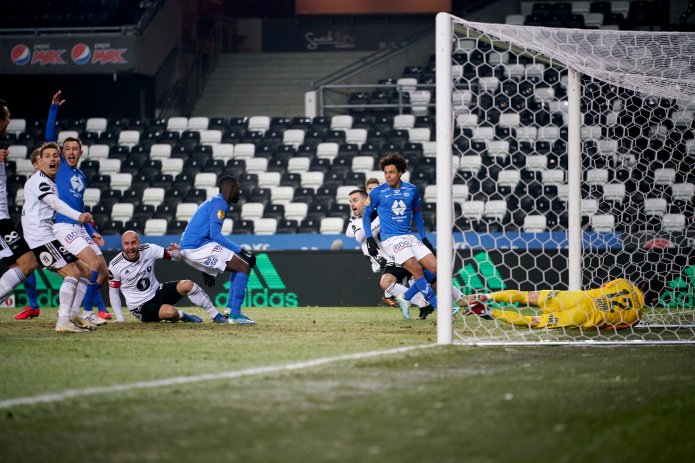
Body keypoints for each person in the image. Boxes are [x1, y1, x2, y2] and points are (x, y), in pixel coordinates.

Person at [45, 90, 111, 325]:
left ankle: (76, 310)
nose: (71, 152)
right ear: (62, 153)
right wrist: (54, 110)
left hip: (81, 228)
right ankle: (80, 312)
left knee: (103, 272)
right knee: (92, 265)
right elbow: (49, 139)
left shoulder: (81, 175)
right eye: (67, 149)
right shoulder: (59, 167)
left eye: (75, 149)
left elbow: (80, 206)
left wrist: (93, 231)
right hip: (63, 226)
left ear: (81, 153)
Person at [22, 143, 96, 333]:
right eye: (47, 156)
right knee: (72, 273)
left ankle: (71, 314)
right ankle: (63, 321)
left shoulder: (49, 181)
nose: (53, 159)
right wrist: (79, 216)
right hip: (40, 238)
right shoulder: (40, 181)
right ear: (39, 162)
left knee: (85, 272)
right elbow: (55, 203)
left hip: (48, 235)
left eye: (55, 155)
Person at [362, 153, 441, 312]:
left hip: (409, 237)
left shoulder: (412, 190)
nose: (388, 176)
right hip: (391, 239)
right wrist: (370, 238)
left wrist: (424, 237)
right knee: (417, 270)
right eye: (385, 172)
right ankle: (438, 305)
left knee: (436, 268)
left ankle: (405, 298)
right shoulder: (377, 192)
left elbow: (417, 213)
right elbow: (366, 215)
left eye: (391, 172)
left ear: (400, 173)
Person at [179, 175, 258, 325]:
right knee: (244, 266)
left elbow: (207, 233)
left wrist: (204, 269)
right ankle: (235, 314)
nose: (239, 193)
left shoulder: (214, 202)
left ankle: (230, 311)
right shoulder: (220, 203)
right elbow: (215, 235)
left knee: (238, 268)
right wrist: (242, 251)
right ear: (232, 189)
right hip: (197, 246)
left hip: (191, 248)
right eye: (238, 189)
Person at [346, 188, 433, 320]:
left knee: (420, 277)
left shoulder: (381, 211)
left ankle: (448, 301)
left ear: (366, 200)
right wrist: (379, 222)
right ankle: (425, 303)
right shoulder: (357, 219)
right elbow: (358, 236)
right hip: (392, 256)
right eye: (350, 201)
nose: (352, 204)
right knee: (408, 279)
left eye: (355, 200)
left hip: (402, 249)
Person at [108, 230, 229, 324]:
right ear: (122, 245)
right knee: (170, 312)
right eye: (126, 243)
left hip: (157, 292)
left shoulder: (150, 249)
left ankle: (216, 316)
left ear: (139, 242)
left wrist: (176, 253)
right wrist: (120, 318)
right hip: (140, 306)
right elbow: (113, 293)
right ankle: (183, 316)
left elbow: (175, 258)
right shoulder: (115, 265)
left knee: (188, 285)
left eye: (133, 242)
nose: (130, 247)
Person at [464, 278, 661, 330]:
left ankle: (487, 297)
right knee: (534, 321)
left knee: (527, 296)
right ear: (653, 299)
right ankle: (489, 311)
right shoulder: (636, 318)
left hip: (580, 298)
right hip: (583, 317)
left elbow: (604, 286)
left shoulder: (624, 283)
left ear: (642, 283)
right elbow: (610, 328)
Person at [0, 99, 39, 312]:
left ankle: (32, 306)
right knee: (28, 263)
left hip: (3, 218)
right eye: (7, 116)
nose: (10, 121)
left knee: (19, 266)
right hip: (0, 221)